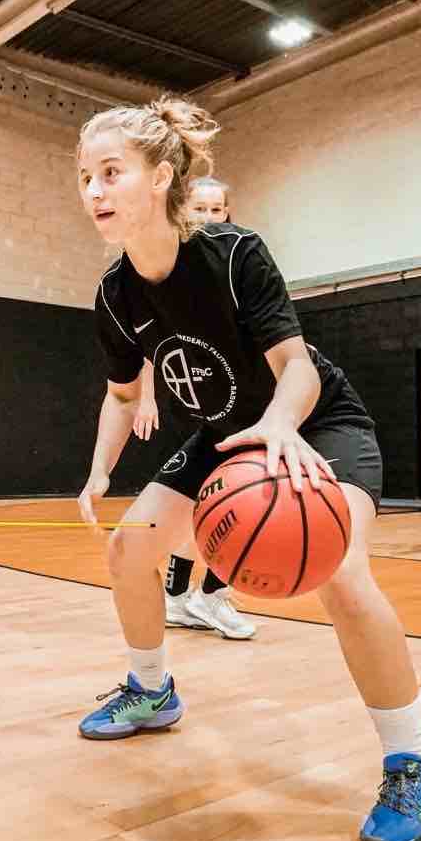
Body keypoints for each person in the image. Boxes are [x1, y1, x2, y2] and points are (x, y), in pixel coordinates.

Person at [73, 98, 421, 841]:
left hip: (315, 425)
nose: (93, 191)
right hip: (225, 441)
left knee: (342, 579)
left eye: (111, 173)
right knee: (129, 549)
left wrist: (280, 425)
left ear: (160, 177)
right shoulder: (115, 296)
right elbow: (122, 396)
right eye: (85, 177)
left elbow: (299, 370)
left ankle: (415, 766)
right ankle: (151, 689)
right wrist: (98, 470)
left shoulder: (233, 253)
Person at [132, 175, 257, 640]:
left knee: (241, 504)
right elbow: (146, 343)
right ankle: (185, 595)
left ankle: (208, 594)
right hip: (198, 408)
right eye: (199, 209)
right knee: (195, 508)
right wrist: (146, 398)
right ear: (184, 213)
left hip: (244, 409)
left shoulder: (239, 264)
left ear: (228, 214)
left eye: (216, 210)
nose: (207, 218)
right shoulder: (170, 266)